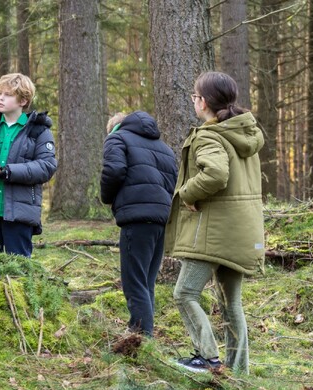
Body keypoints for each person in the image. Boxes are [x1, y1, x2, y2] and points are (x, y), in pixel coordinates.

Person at [165, 71, 265, 373]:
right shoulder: (246, 133)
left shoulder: (210, 135)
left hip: (215, 231)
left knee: (184, 293)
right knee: (229, 302)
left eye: (195, 97)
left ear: (203, 102)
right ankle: (237, 372)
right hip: (243, 231)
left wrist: (187, 194)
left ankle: (206, 357)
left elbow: (216, 175)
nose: (194, 102)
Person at [100, 111, 178, 336]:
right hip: (162, 218)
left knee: (134, 282)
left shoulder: (117, 138)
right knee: (146, 281)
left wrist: (107, 197)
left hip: (137, 217)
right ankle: (145, 332)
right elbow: (173, 181)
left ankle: (140, 336)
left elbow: (113, 170)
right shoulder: (163, 147)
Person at [0, 73, 57, 257]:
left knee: (19, 272)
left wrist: (9, 172)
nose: (1, 98)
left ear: (23, 100)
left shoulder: (39, 131)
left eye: (8, 94)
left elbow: (46, 166)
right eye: (0, 94)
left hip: (20, 212)